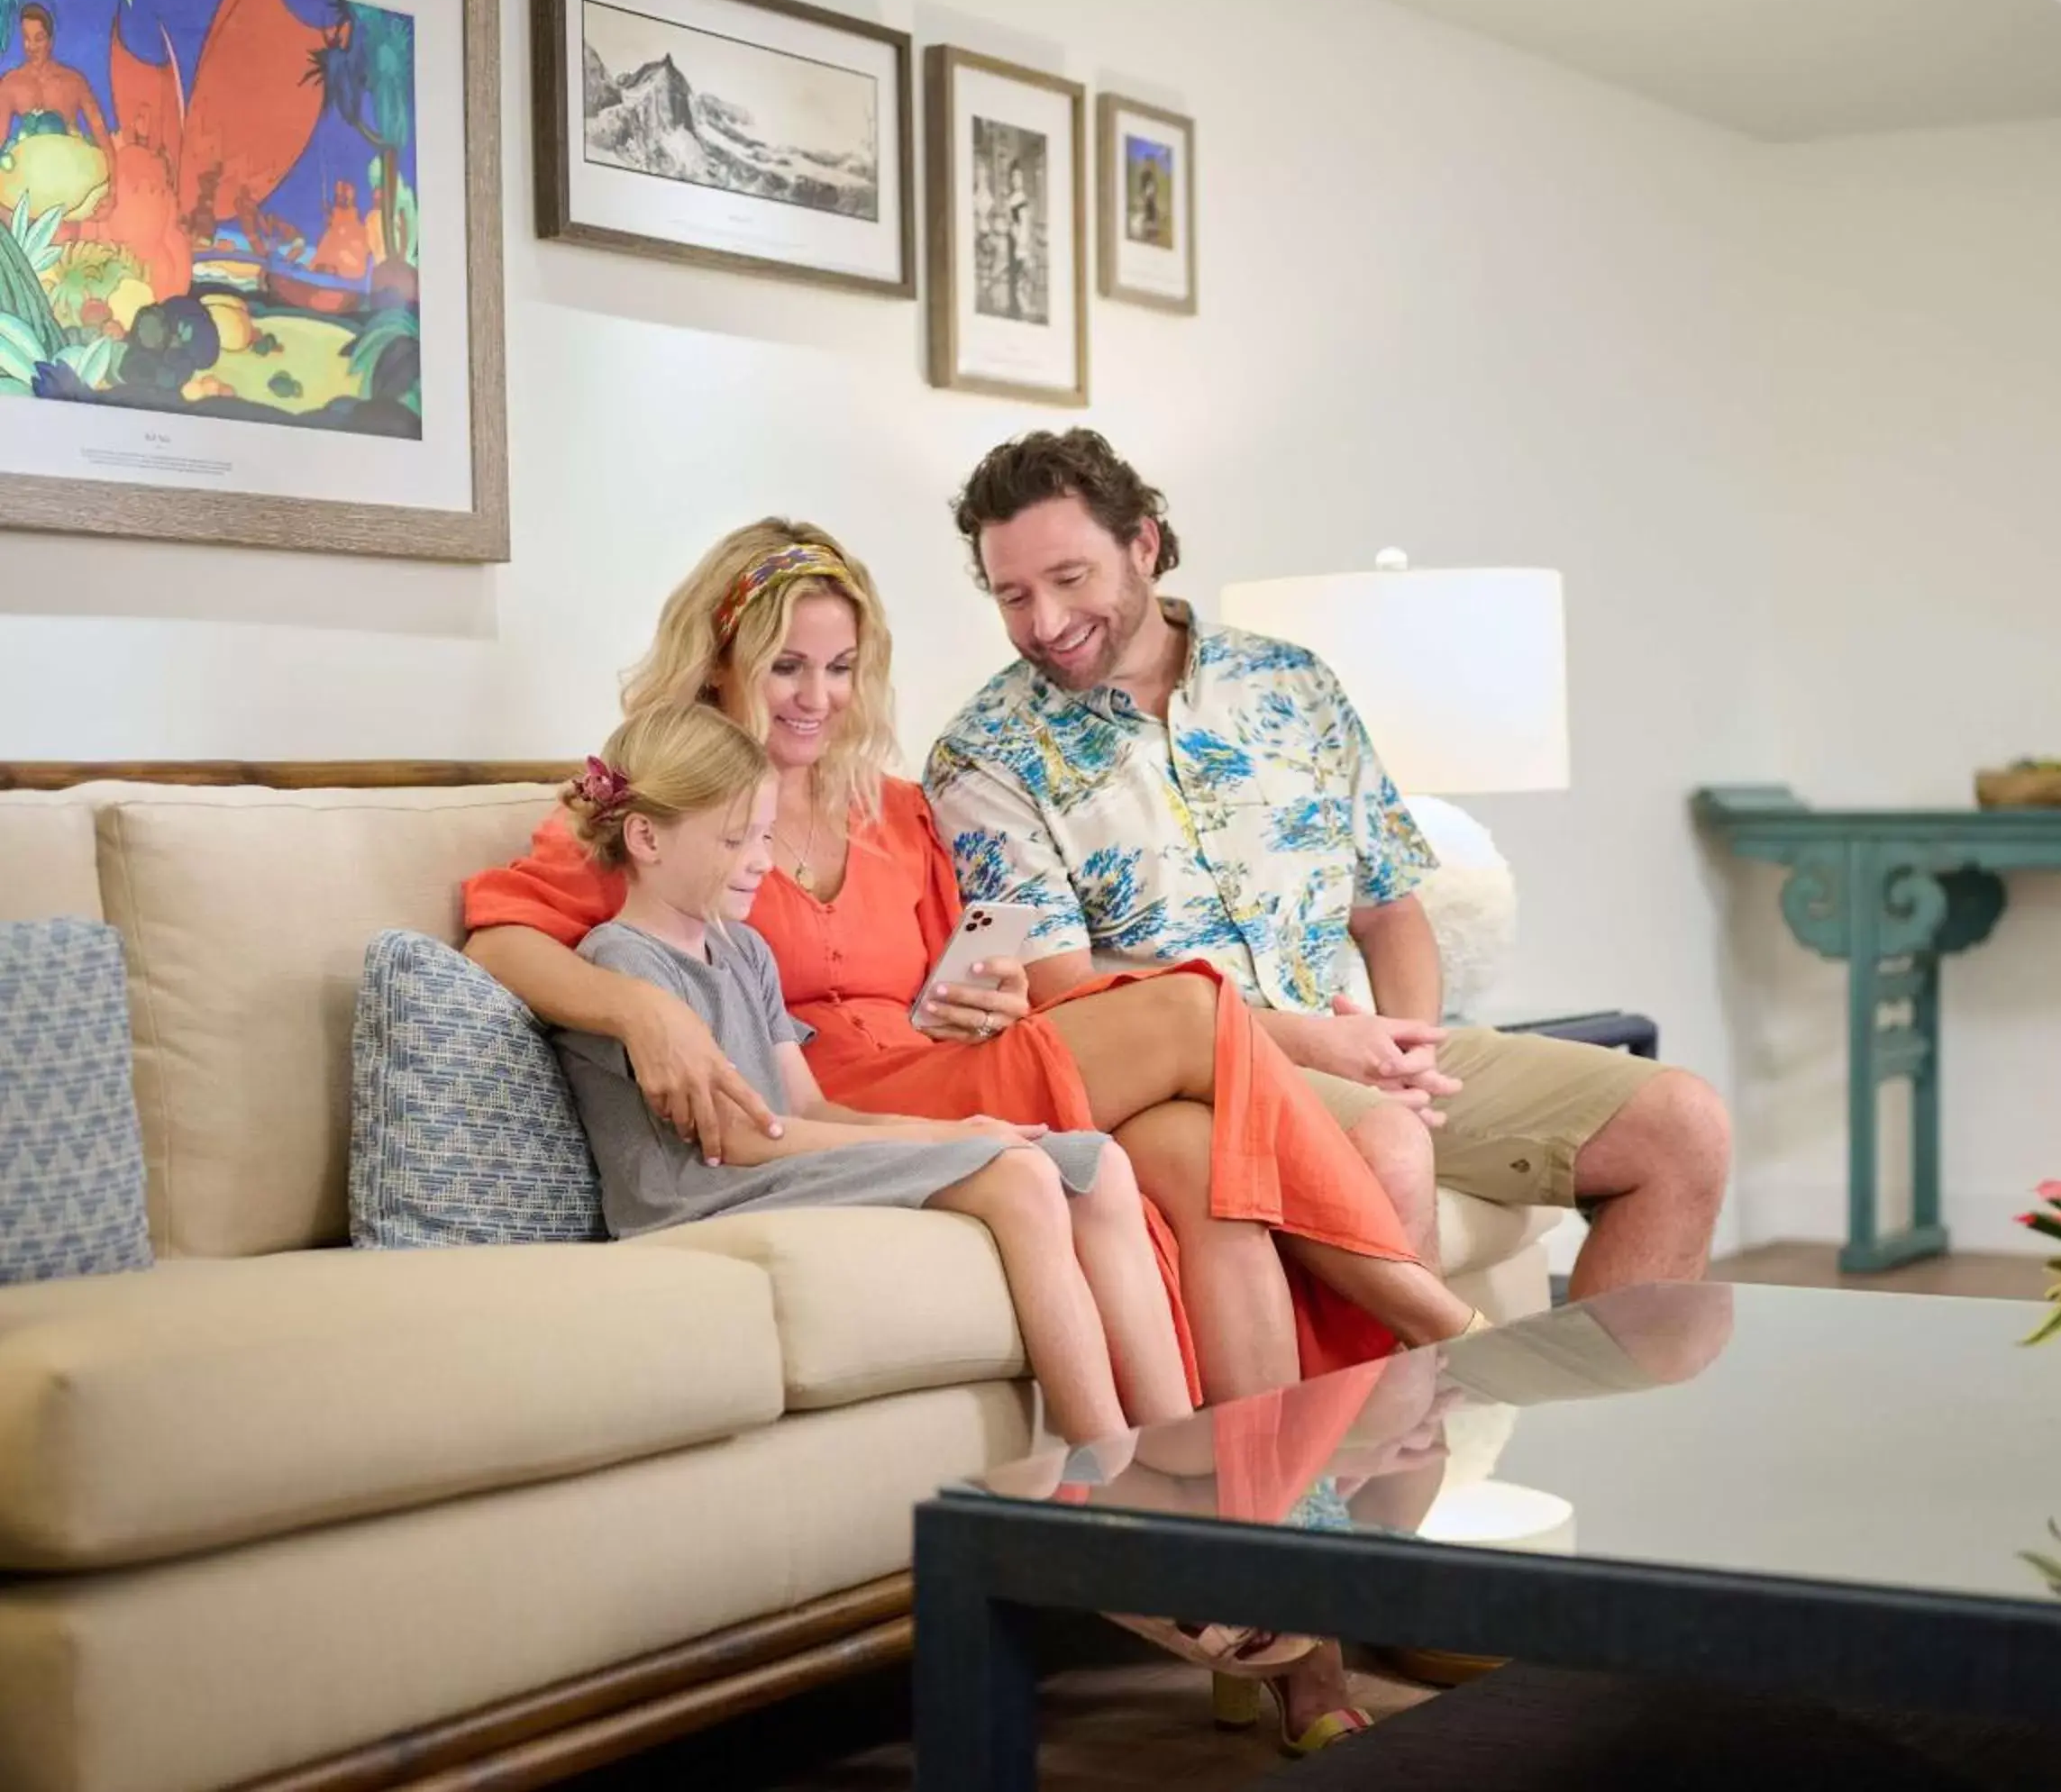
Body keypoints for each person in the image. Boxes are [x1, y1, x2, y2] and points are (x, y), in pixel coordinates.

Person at [461, 520, 1474, 1738]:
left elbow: (962, 971)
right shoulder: (675, 801)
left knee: (1200, 1163)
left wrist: (974, 993)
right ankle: (1422, 1316)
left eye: (840, 669)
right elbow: (501, 934)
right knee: (1192, 1011)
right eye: (788, 666)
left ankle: (1266, 1595)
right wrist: (638, 1012)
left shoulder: (893, 812)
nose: (816, 697)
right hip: (851, 1105)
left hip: (935, 1065)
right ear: (721, 660)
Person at [926, 430, 1734, 1300]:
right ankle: (1408, 1435)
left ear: (1144, 545)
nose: (1043, 623)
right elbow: (1067, 997)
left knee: (1681, 1125)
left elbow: (1388, 910)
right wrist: (1335, 1054)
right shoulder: (987, 755)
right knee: (1390, 1144)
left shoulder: (1292, 684)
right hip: (1197, 1085)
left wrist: (1410, 1052)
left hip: (1355, 1051)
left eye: (1069, 579)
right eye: (1013, 595)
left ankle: (1608, 1425)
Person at [548, 700, 1188, 1449]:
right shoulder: (622, 963)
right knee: (1018, 1178)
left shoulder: (746, 951)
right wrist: (941, 1148)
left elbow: (811, 1105)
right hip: (699, 1191)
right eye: (734, 840)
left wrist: (955, 1129)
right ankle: (1107, 1478)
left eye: (763, 836)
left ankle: (1182, 1460)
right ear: (646, 837)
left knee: (1098, 1165)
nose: (760, 860)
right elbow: (736, 1141)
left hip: (772, 1157)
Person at [0, 5, 109, 149]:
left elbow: (102, 135)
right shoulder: (10, 83)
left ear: (50, 41)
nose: (31, 47)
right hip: (29, 166)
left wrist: (113, 170)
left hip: (71, 164)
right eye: (27, 38)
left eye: (39, 39)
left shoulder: (74, 82)